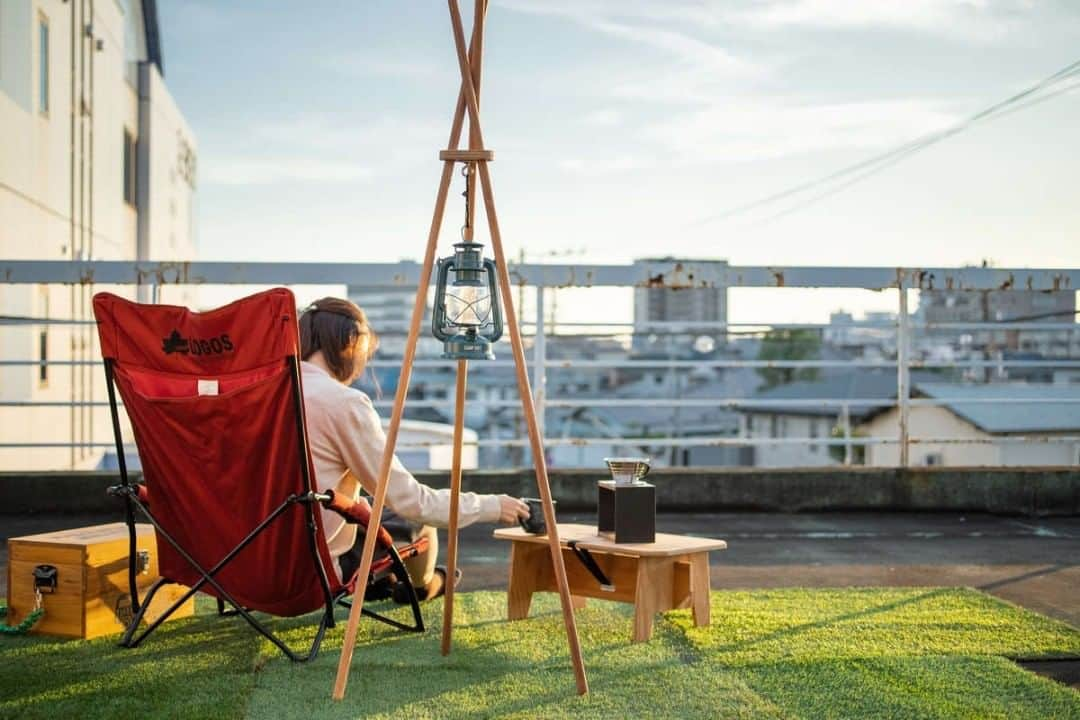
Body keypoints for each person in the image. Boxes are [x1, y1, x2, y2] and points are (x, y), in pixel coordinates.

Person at [298, 297, 529, 602]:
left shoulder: (258, 392)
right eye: (364, 353)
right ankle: (423, 585)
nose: (361, 365)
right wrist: (493, 505)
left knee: (369, 508)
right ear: (350, 342)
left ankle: (390, 580)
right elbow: (413, 502)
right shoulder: (343, 403)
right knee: (415, 520)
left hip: (237, 563)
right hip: (312, 569)